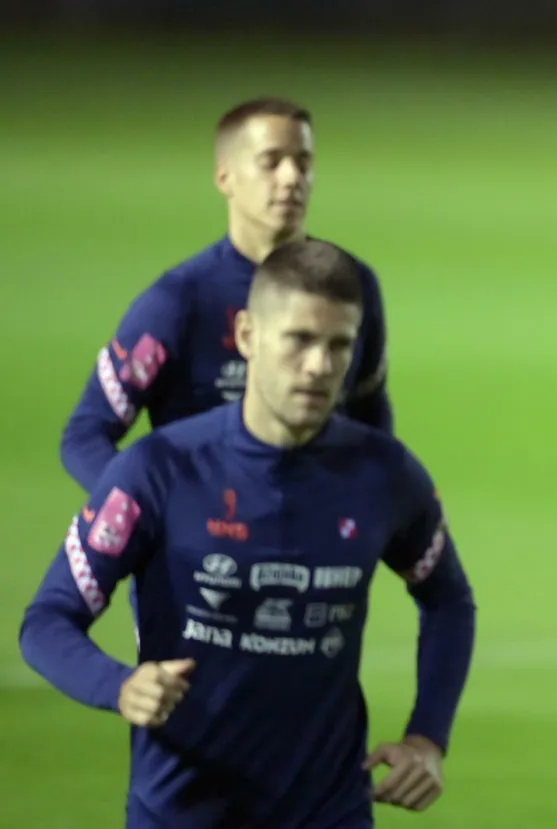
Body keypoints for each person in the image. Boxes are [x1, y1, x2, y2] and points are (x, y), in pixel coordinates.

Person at [20, 240, 476, 828]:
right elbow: (49, 620)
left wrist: (428, 739)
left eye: (340, 345)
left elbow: (448, 600)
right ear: (246, 335)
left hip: (329, 811)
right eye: (300, 340)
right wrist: (121, 686)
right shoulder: (158, 471)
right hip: (181, 813)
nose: (320, 366)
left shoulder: (385, 476)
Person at [60, 96, 392, 494]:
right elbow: (86, 436)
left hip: (317, 544)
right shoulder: (179, 302)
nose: (291, 178)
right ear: (225, 177)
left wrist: (375, 504)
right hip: (211, 549)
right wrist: (151, 511)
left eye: (303, 162)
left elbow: (370, 414)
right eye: (271, 162)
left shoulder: (352, 285)